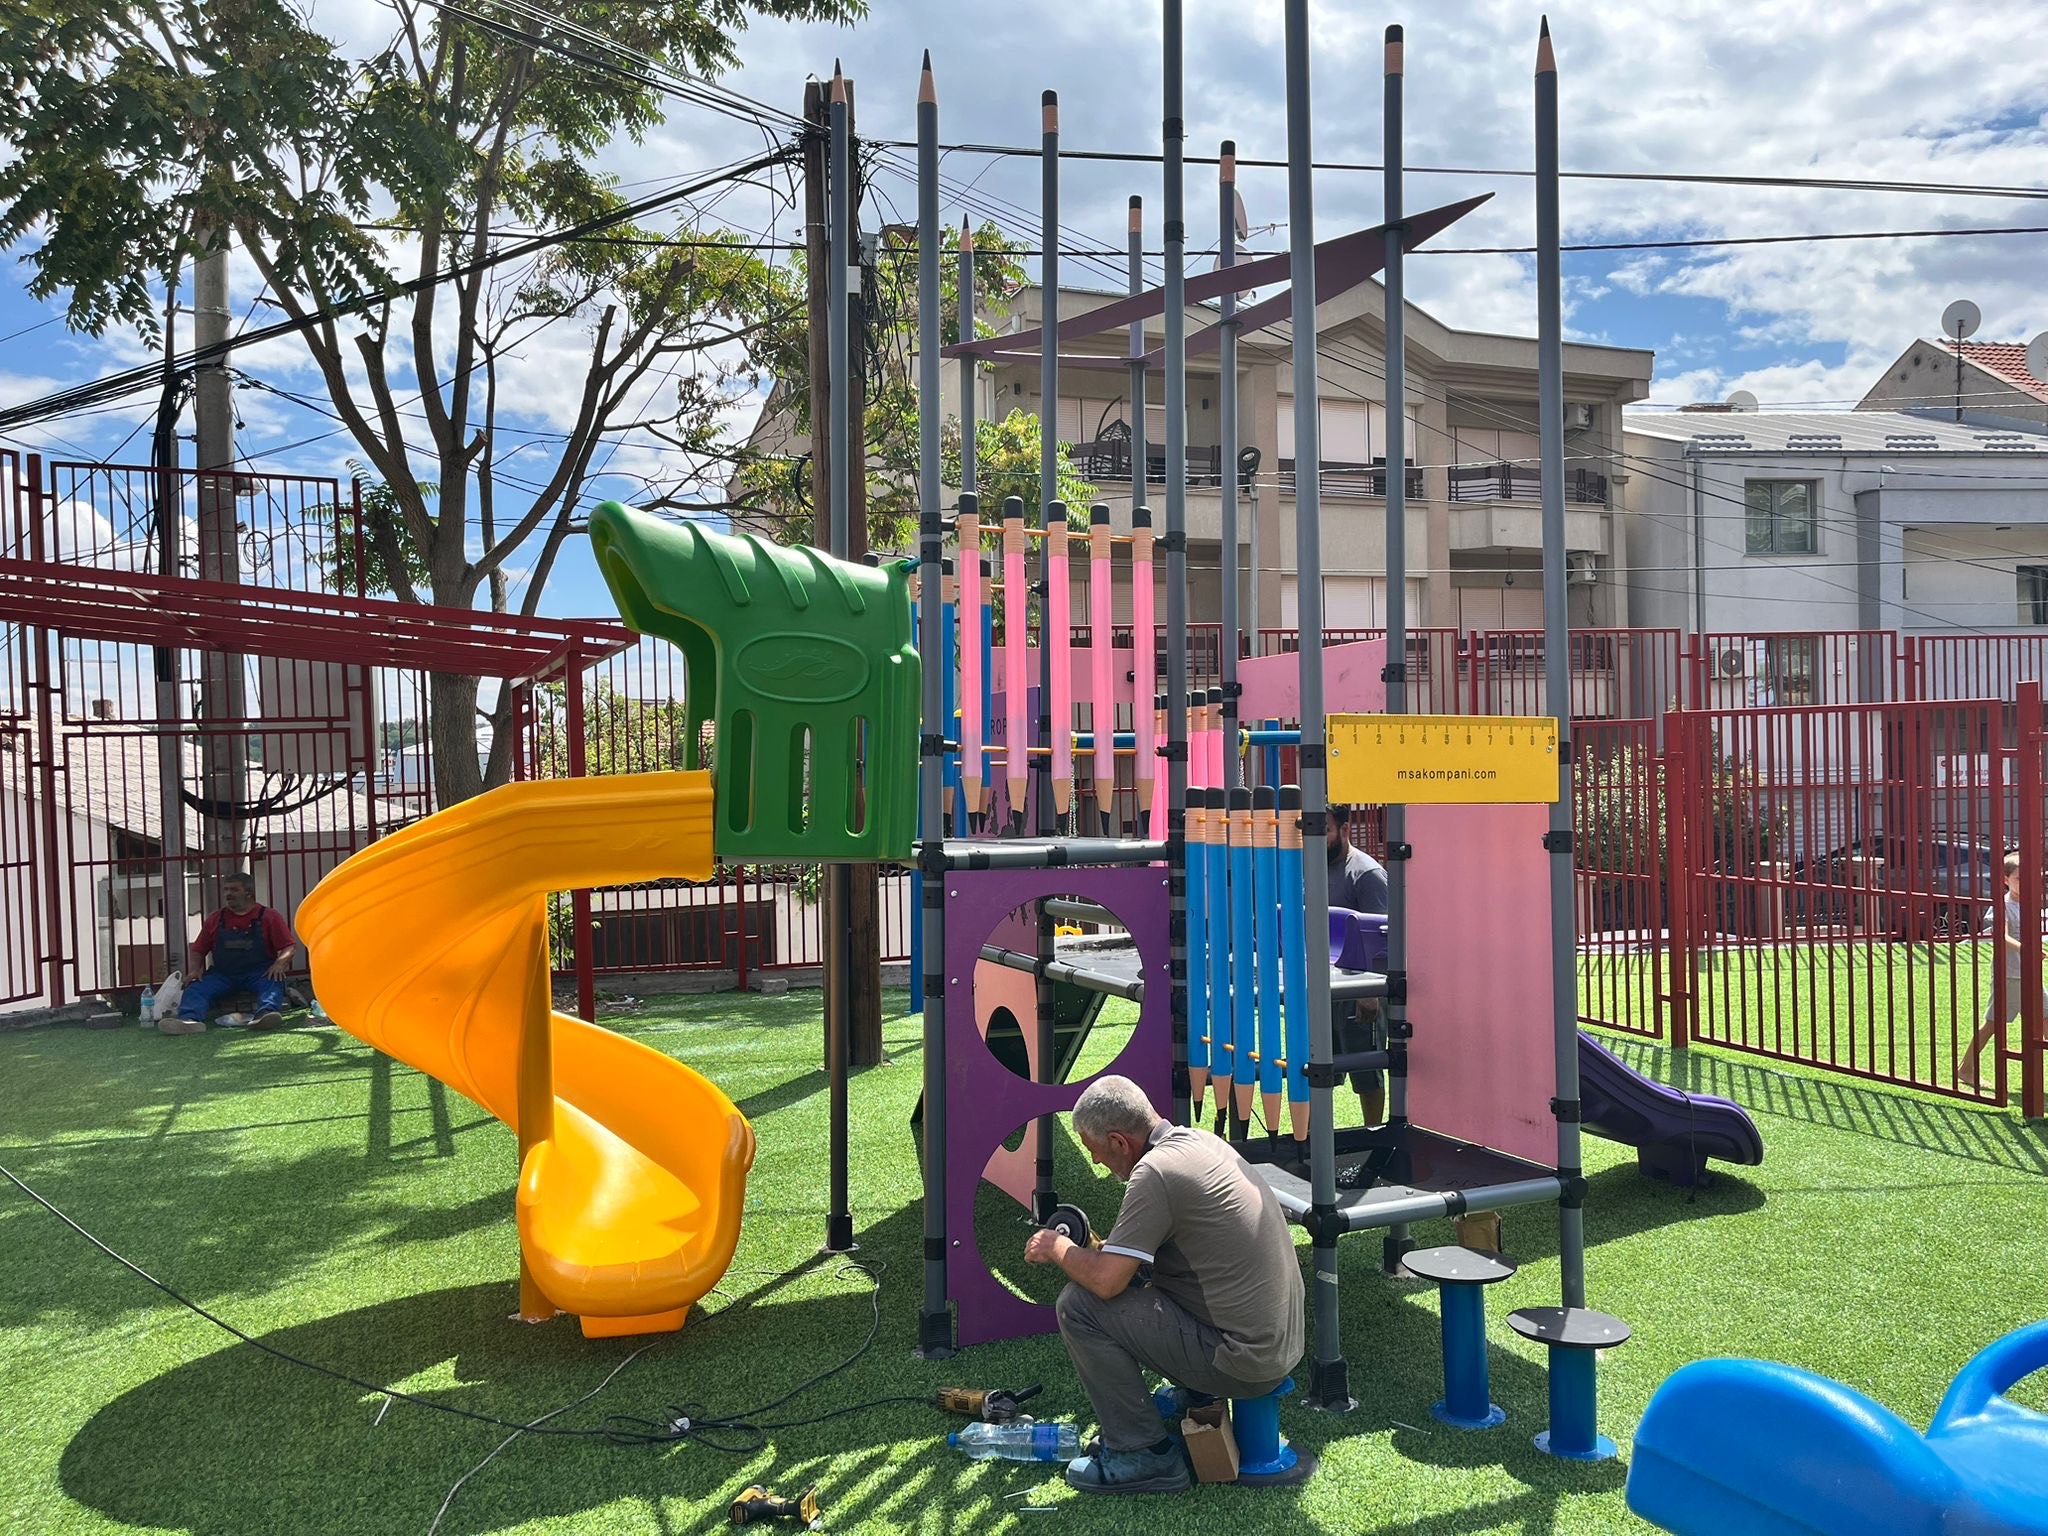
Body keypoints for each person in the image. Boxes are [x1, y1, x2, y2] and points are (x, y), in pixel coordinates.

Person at [1023, 1075, 1304, 1495]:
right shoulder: (1198, 1143)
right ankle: (1196, 1394)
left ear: (1118, 1142)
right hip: (1278, 1343)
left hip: (1246, 1361)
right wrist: (1097, 1250)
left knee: (1078, 1305)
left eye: (1094, 1149)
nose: (1096, 1161)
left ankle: (1143, 1454)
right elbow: (1142, 1261)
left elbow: (1105, 1283)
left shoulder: (1155, 1173)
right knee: (1143, 1281)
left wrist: (1058, 1247)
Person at [1328, 804, 1390, 1126]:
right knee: (1316, 1069)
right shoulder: (1310, 866)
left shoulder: (1367, 874)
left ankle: (1373, 1134)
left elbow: (1383, 937)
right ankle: (1311, 1141)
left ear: (1344, 829)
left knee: (1366, 1071)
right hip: (1323, 987)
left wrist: (1370, 992)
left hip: (1358, 990)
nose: (1316, 839)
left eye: (1324, 831)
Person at [173, 872, 296, 1031]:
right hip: (222, 975)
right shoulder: (215, 919)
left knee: (273, 984)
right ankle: (189, 1020)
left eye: (234, 889)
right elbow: (198, 949)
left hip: (259, 973)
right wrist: (195, 970)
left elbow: (289, 946)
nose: (228, 894)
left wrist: (279, 964)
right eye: (226, 890)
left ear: (249, 892)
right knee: (196, 988)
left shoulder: (269, 916)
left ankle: (266, 1015)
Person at [1962, 852, 2041, 1089]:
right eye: (2019, 878)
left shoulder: (2029, 903)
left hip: (2029, 975)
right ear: (2006, 879)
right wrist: (2026, 950)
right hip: (2010, 975)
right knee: (1993, 1024)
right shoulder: (2003, 906)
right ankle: (1965, 1068)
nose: (2025, 882)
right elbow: (2001, 935)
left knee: (2045, 1018)